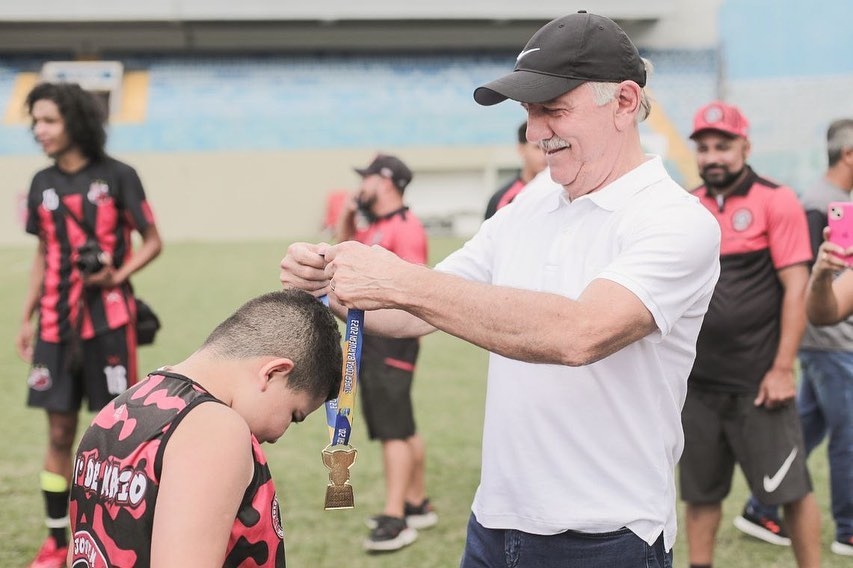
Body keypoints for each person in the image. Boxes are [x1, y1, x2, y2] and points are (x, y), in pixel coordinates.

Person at [281, 11, 722, 567]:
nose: (536, 132)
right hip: (495, 521)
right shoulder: (536, 198)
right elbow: (421, 310)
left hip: (604, 534)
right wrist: (335, 285)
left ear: (625, 102)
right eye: (529, 111)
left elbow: (580, 334)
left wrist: (399, 279)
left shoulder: (677, 221)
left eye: (554, 109)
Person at [68, 289, 344, 566]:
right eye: (294, 415)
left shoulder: (121, 407)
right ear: (272, 373)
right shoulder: (216, 431)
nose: (278, 435)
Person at [16, 81, 163, 568]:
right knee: (59, 435)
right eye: (35, 120)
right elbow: (42, 253)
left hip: (109, 324)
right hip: (56, 326)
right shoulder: (41, 183)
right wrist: (27, 315)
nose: (39, 130)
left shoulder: (120, 175)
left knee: (115, 435)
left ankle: (110, 535)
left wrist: (116, 275)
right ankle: (58, 541)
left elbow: (152, 240)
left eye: (49, 120)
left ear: (76, 122)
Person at [680, 100, 822, 568]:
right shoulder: (689, 206)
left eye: (723, 145)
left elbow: (796, 286)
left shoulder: (776, 199)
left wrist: (783, 369)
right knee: (701, 494)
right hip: (698, 386)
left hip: (761, 384)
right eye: (704, 147)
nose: (712, 156)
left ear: (746, 146)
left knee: (791, 489)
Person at [735, 118, 853, 557]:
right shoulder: (819, 204)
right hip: (830, 342)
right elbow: (801, 276)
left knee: (803, 431)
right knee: (848, 437)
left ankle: (757, 506)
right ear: (848, 155)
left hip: (831, 340)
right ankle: (849, 528)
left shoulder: (838, 200)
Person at [334, 153, 437, 552]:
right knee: (400, 423)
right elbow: (341, 252)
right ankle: (416, 503)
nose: (361, 186)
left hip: (394, 339)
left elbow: (414, 290)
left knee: (392, 428)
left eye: (368, 179)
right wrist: (347, 214)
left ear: (387, 182)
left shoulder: (406, 228)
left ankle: (396, 518)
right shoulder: (375, 226)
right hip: (371, 338)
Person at [484, 120, 548, 219]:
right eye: (537, 147)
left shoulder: (564, 193)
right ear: (521, 149)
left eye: (548, 146)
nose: (545, 154)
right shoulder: (503, 199)